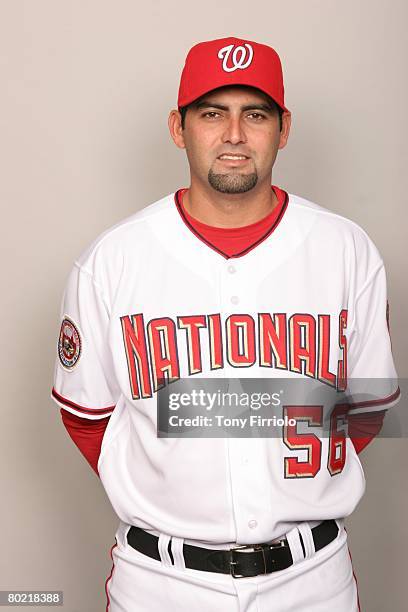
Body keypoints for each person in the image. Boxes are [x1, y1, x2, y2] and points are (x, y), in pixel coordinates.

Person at [51, 36, 400, 611]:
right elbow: (87, 420)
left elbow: (367, 408)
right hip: (161, 585)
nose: (234, 134)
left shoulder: (345, 249)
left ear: (283, 128)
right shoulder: (111, 261)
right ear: (178, 126)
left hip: (312, 582)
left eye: (254, 114)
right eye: (213, 113)